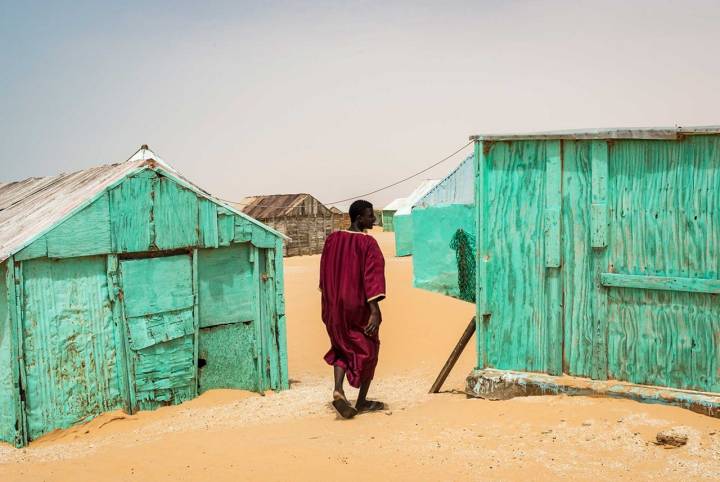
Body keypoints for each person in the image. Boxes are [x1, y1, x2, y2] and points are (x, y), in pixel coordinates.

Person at [319, 199, 386, 419]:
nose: (374, 219)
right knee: (369, 349)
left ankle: (338, 389)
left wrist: (329, 302)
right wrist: (374, 310)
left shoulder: (333, 239)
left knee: (341, 346)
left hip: (333, 306)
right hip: (357, 306)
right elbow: (371, 279)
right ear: (359, 218)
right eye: (370, 215)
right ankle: (362, 401)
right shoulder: (368, 244)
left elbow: (324, 274)